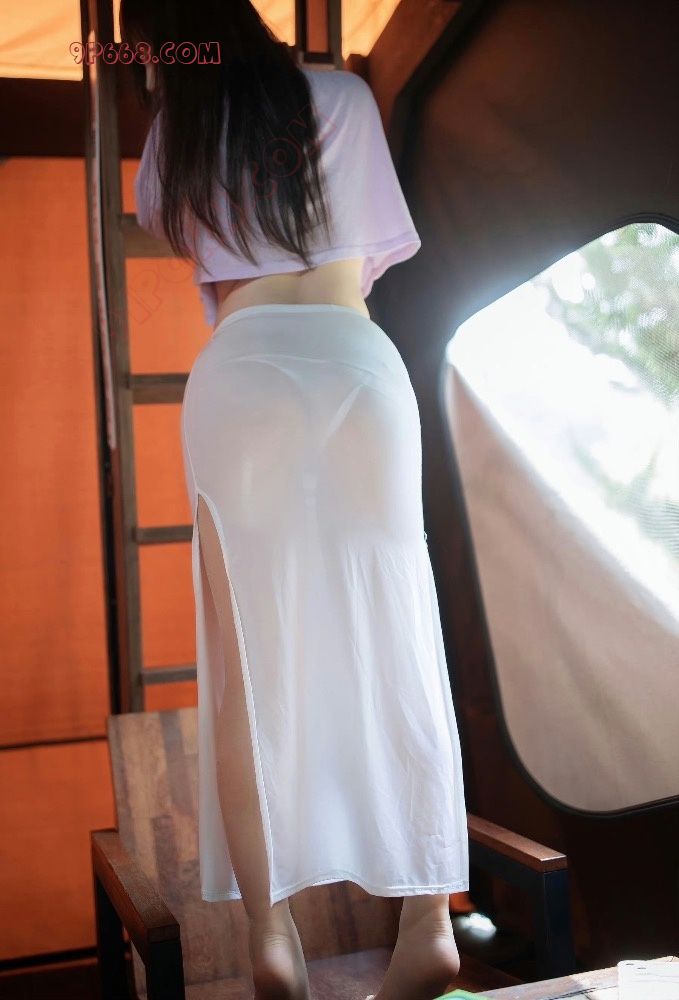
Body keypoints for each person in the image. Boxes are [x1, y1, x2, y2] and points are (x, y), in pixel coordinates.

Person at [122, 3, 469, 999]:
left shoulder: (177, 134)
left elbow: (191, 243)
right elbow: (371, 253)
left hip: (243, 370)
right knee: (403, 627)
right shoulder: (345, 96)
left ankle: (271, 936)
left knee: (245, 662)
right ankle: (426, 923)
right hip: (356, 358)